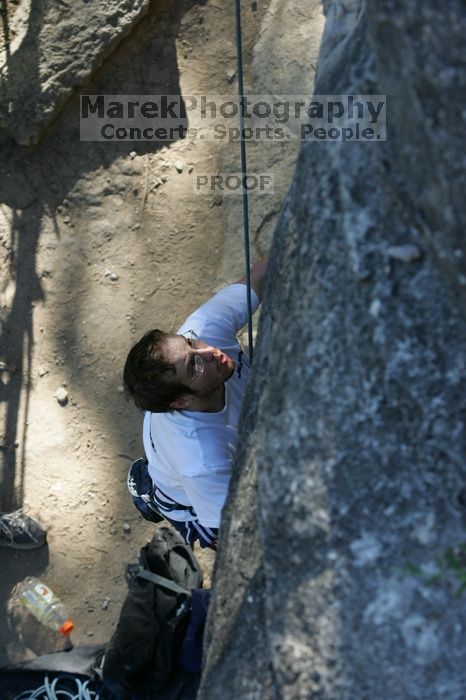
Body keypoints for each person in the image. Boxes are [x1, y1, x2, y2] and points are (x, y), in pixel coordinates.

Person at [123, 257, 267, 549]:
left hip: (171, 446)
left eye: (189, 343)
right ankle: (156, 494)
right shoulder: (201, 462)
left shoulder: (201, 332)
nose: (209, 352)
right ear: (181, 400)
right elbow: (235, 534)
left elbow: (258, 278)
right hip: (187, 495)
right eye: (193, 366)